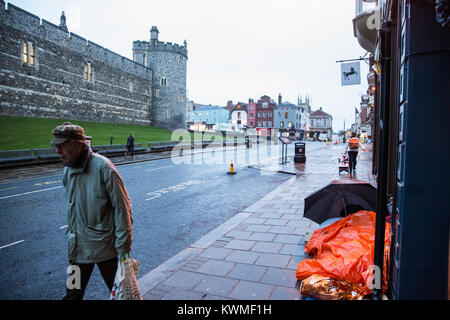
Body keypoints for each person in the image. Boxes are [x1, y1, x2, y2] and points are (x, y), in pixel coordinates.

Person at [51, 122, 133, 300]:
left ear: (78, 145)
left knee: (123, 295)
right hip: (77, 249)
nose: (57, 151)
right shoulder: (68, 170)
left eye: (62, 146)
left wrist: (124, 246)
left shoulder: (103, 167)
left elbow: (122, 207)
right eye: (55, 146)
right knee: (72, 295)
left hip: (104, 249)